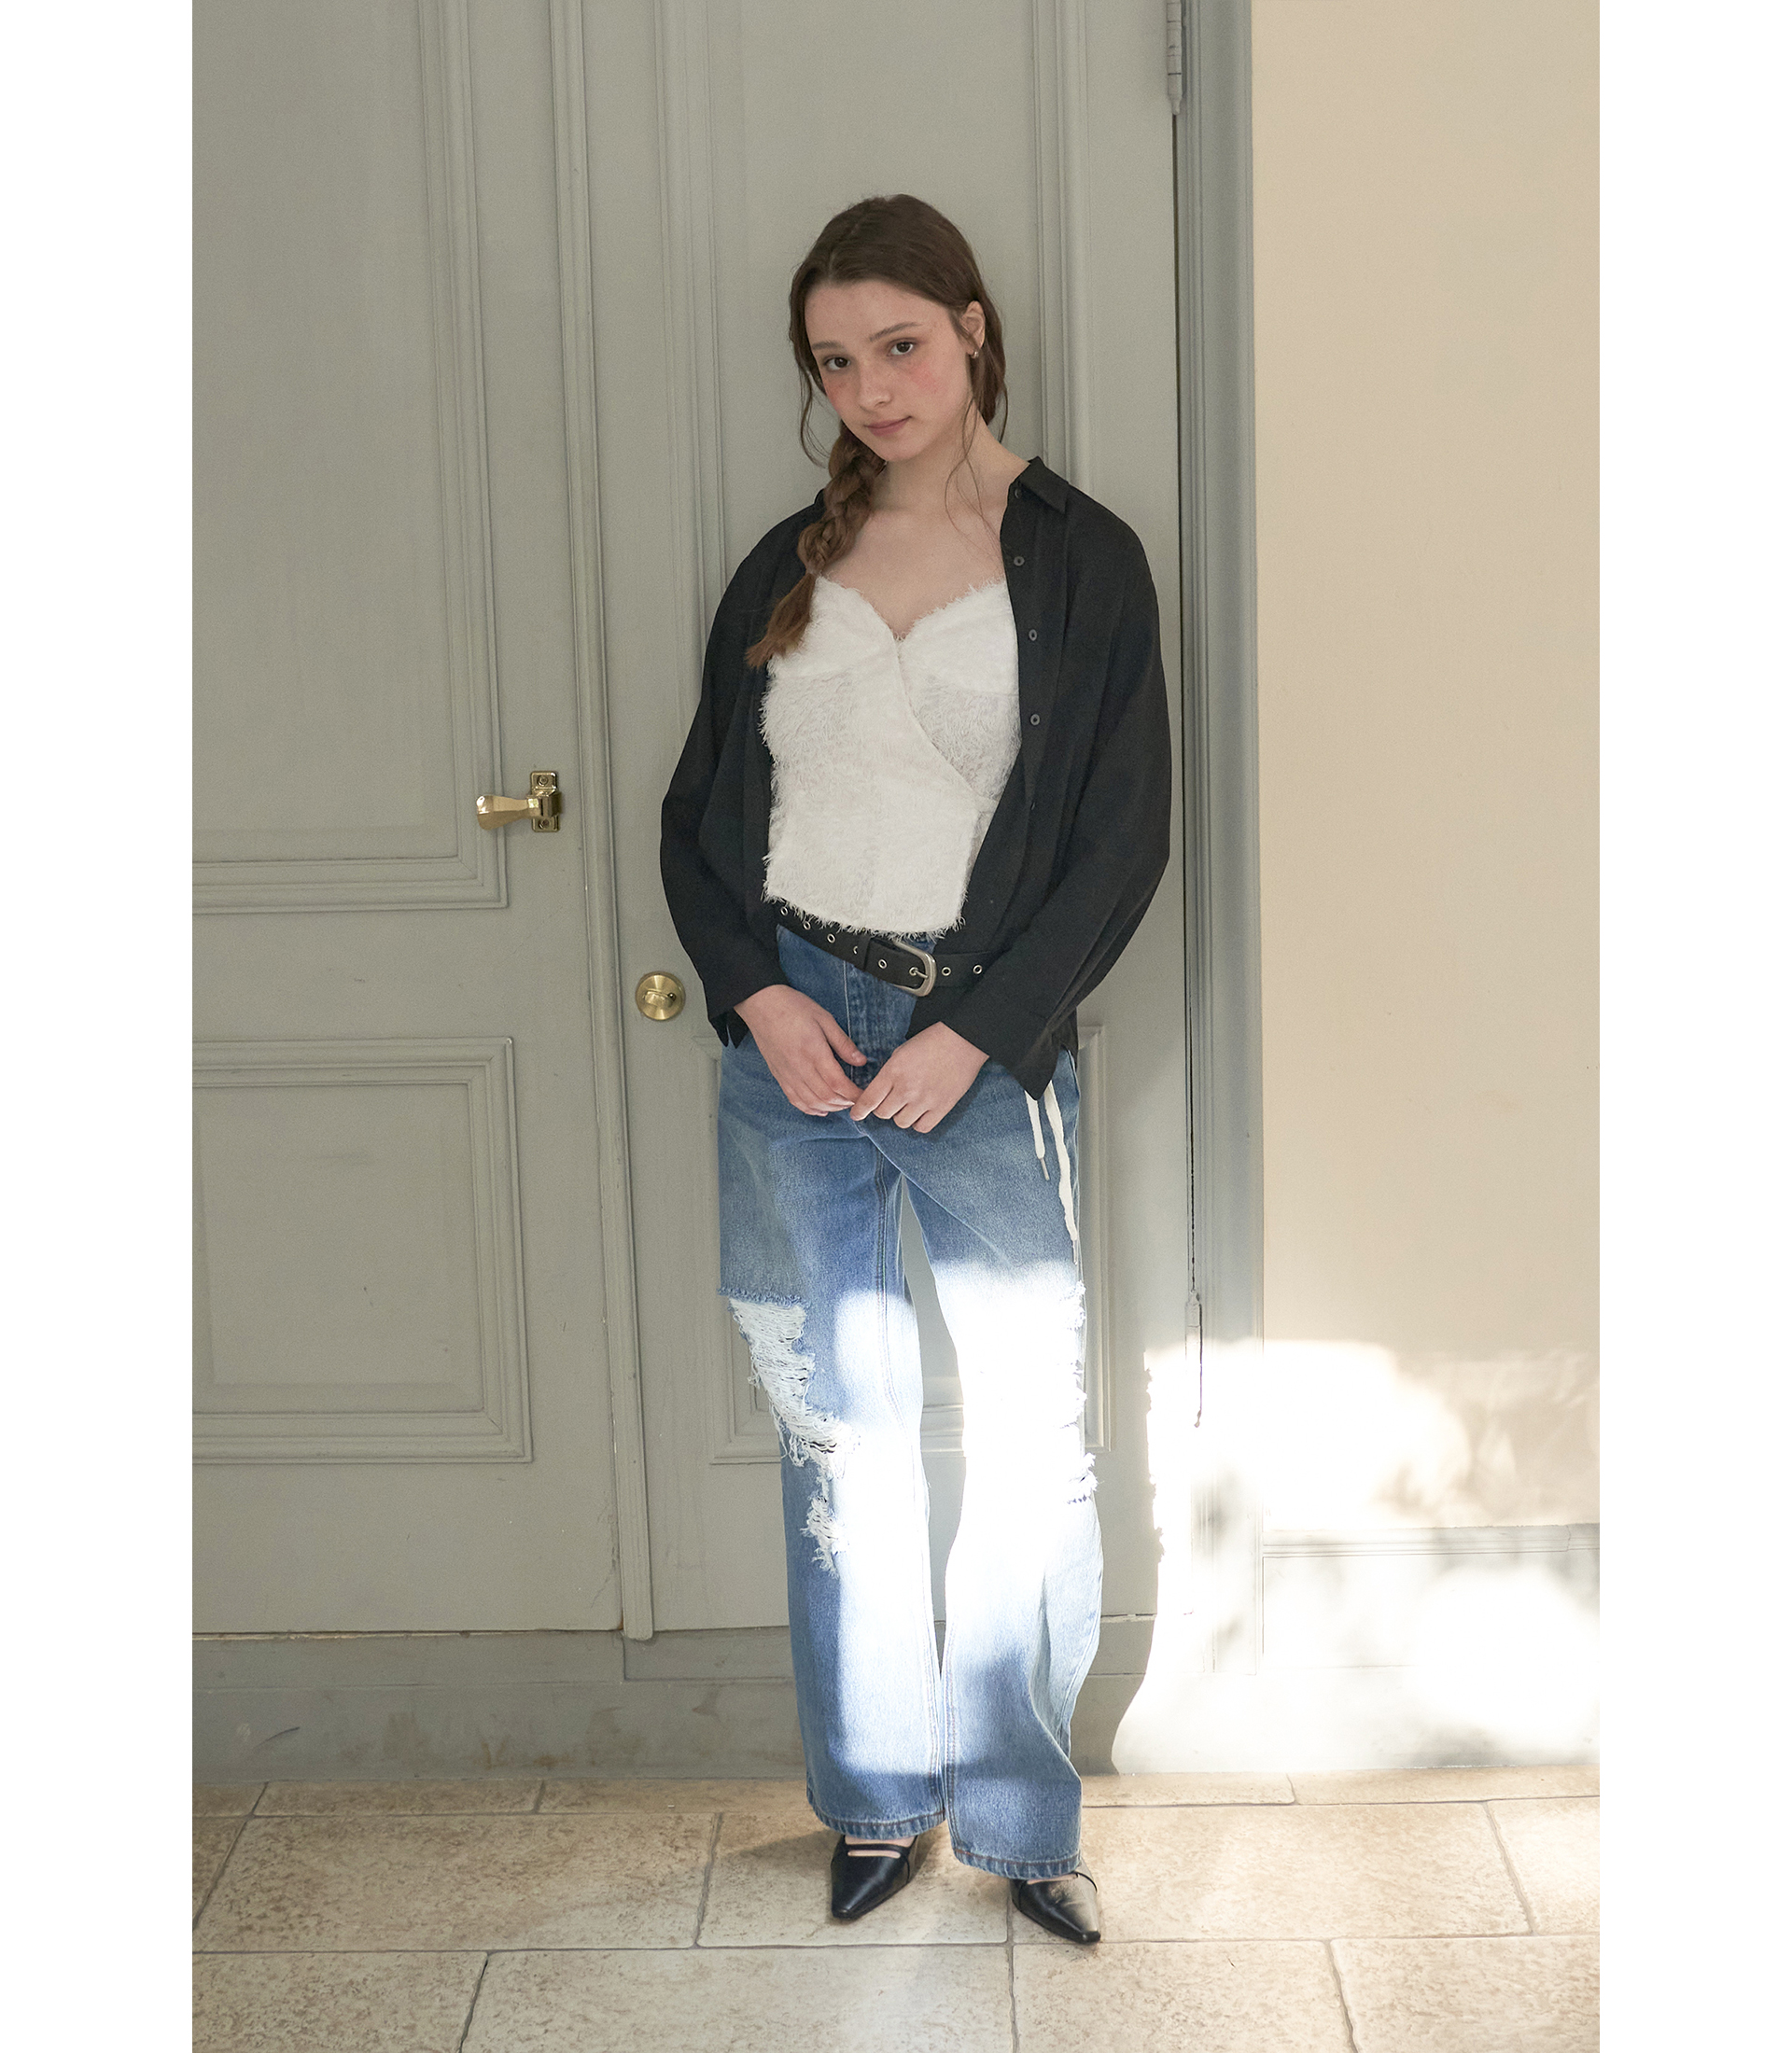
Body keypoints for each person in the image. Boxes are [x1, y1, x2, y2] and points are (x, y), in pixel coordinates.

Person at [660, 193, 1170, 1946]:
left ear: (972, 332)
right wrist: (756, 997)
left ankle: (1023, 1824)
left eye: (899, 346)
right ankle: (876, 1802)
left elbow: (1120, 838)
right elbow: (700, 817)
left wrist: (982, 1032)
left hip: (979, 1050)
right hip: (792, 1046)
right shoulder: (783, 568)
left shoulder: (1083, 562)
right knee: (841, 1430)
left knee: (1029, 1445)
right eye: (835, 361)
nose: (871, 388)